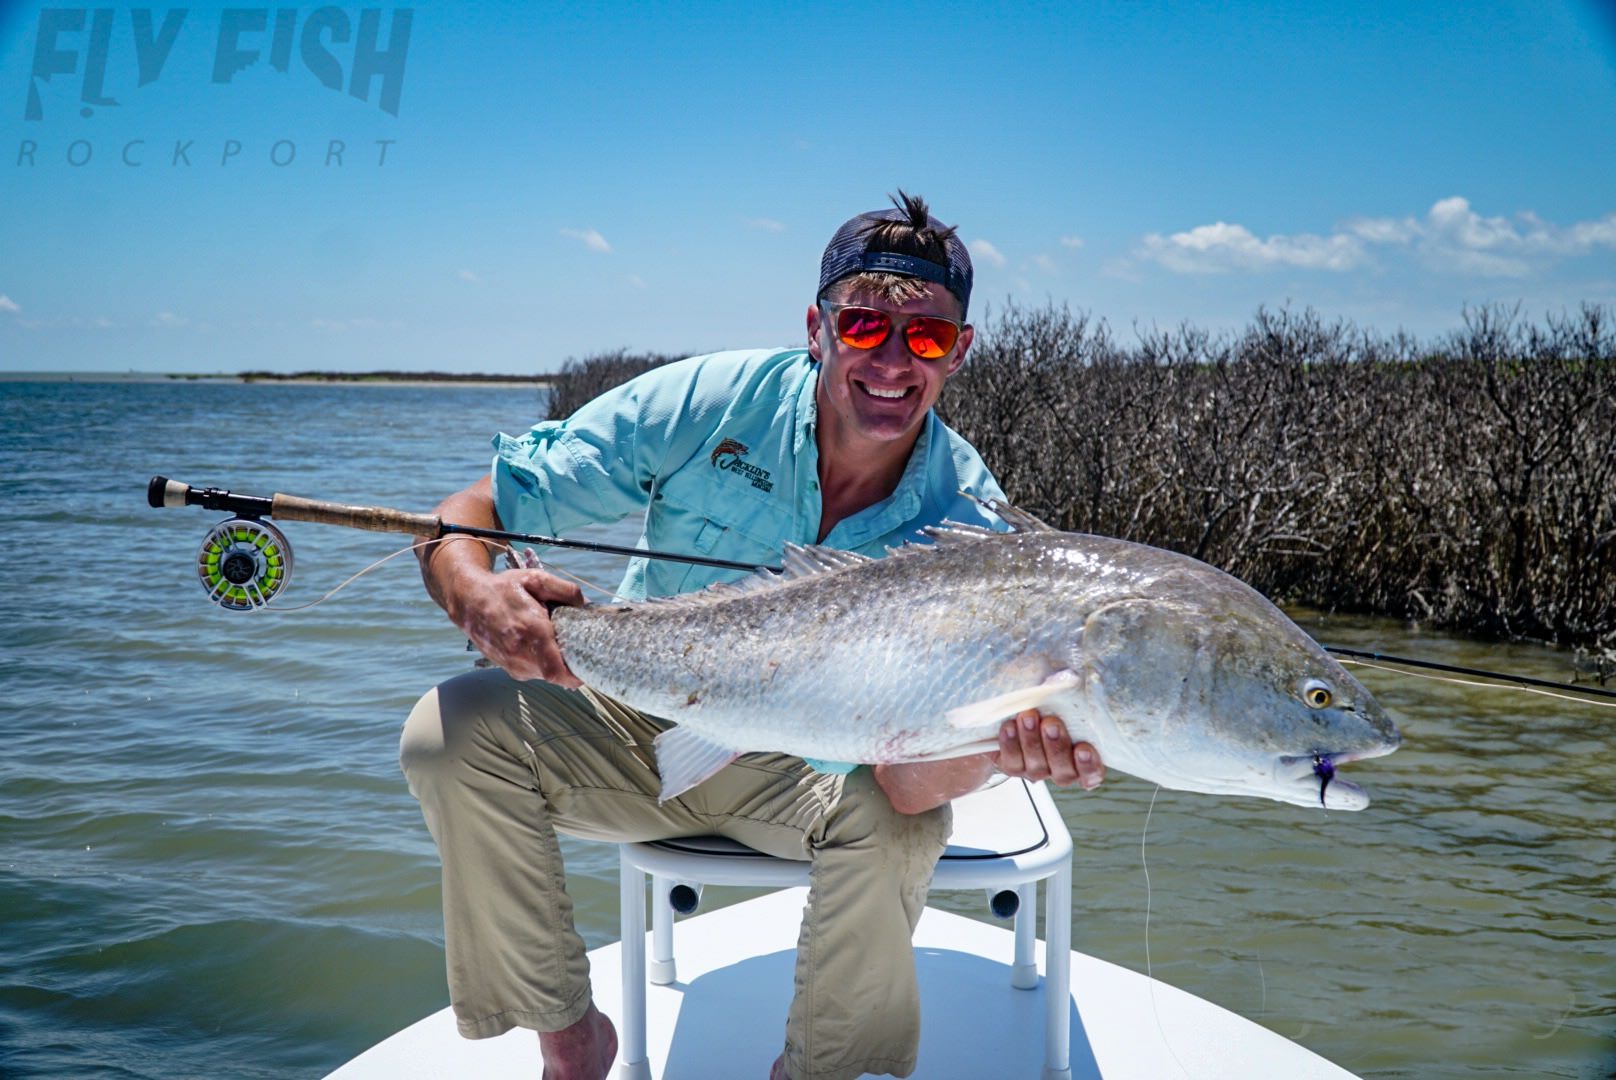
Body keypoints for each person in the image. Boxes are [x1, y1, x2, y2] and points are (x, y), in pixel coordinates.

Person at [400, 192, 1106, 1080]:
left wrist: (1004, 749)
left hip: (815, 768)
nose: (893, 361)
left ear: (959, 353)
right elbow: (472, 511)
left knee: (898, 828)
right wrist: (476, 589)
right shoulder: (708, 399)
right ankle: (571, 1041)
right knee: (448, 731)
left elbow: (908, 780)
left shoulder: (972, 520)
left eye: (925, 338)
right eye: (863, 327)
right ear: (817, 327)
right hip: (633, 724)